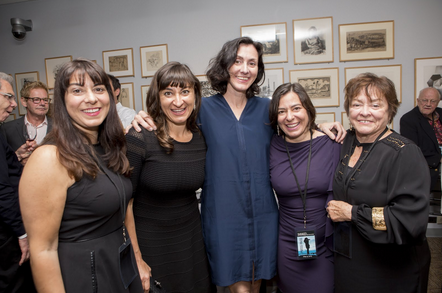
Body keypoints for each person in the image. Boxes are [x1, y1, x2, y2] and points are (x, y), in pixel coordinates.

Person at [131, 37, 345, 293]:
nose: (245, 68)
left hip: (265, 216)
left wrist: (321, 126)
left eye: (252, 63)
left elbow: (295, 127)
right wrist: (142, 117)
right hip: (222, 217)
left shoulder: (267, 109)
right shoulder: (201, 109)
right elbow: (172, 119)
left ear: (258, 70)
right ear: (226, 66)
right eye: (238, 61)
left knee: (257, 286)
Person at [19, 59, 143, 292]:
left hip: (118, 267)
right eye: (77, 90)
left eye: (98, 89)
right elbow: (43, 250)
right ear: (62, 100)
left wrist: (136, 258)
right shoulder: (49, 157)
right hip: (84, 277)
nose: (91, 98)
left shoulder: (109, 148)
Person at [327, 73, 431, 293]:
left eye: (375, 105)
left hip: (390, 268)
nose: (365, 112)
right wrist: (321, 125)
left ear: (390, 110)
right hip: (349, 260)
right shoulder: (347, 141)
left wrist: (352, 213)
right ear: (348, 109)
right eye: (357, 104)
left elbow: (409, 222)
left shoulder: (404, 152)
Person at [125, 61, 215, 293]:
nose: (178, 101)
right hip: (150, 245)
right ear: (157, 97)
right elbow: (124, 202)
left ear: (195, 96)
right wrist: (135, 257)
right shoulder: (140, 138)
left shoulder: (201, 137)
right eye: (168, 93)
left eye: (185, 91)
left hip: (191, 244)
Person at [269, 83, 340, 293]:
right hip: (287, 244)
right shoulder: (272, 146)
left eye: (296, 108)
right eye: (282, 111)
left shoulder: (332, 143)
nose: (289, 117)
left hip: (326, 243)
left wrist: (322, 127)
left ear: (308, 109)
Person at [0, 72, 36, 292]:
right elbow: (1, 188)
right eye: (8, 97)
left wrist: (17, 156)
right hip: (7, 232)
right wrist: (21, 233)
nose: (14, 104)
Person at [0, 81, 53, 165]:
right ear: (24, 102)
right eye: (36, 99)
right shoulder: (7, 129)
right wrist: (18, 159)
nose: (43, 103)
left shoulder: (61, 127)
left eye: (45, 100)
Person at [400, 87, 442, 190]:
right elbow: (413, 151)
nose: (428, 104)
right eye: (424, 100)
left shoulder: (441, 113)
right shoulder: (408, 119)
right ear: (418, 101)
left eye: (433, 101)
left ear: (438, 103)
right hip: (430, 165)